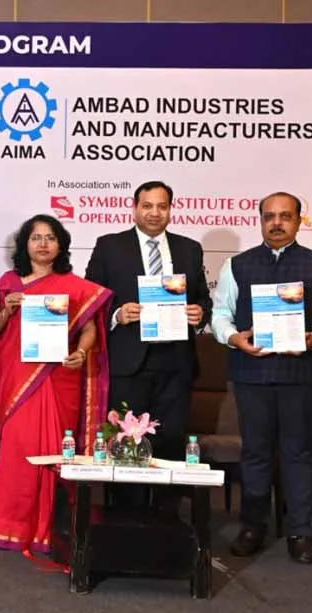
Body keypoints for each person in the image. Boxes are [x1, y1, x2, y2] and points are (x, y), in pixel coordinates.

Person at [210, 191, 312, 564]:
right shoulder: (237, 265)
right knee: (255, 453)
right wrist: (234, 338)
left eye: (285, 216)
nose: (276, 223)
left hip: (300, 374)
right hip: (252, 372)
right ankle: (252, 527)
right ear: (260, 221)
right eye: (269, 216)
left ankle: (301, 531)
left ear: (298, 221)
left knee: (299, 453)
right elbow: (220, 315)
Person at [0, 214, 112, 553]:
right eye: (36, 237)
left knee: (56, 451)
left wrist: (81, 353)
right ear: (24, 245)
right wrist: (6, 309)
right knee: (18, 451)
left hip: (59, 379)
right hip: (17, 379)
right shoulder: (8, 283)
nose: (43, 244)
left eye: (50, 238)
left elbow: (89, 329)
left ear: (61, 245)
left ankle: (52, 529)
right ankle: (14, 527)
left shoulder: (75, 286)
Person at [84, 180, 211, 507]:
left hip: (176, 363)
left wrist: (200, 312)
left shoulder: (189, 249)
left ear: (170, 209)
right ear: (135, 208)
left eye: (162, 206)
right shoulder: (110, 246)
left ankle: (166, 517)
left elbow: (202, 298)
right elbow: (90, 300)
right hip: (130, 363)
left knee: (170, 442)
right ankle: (127, 515)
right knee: (127, 443)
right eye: (147, 206)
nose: (155, 213)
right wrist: (117, 314)